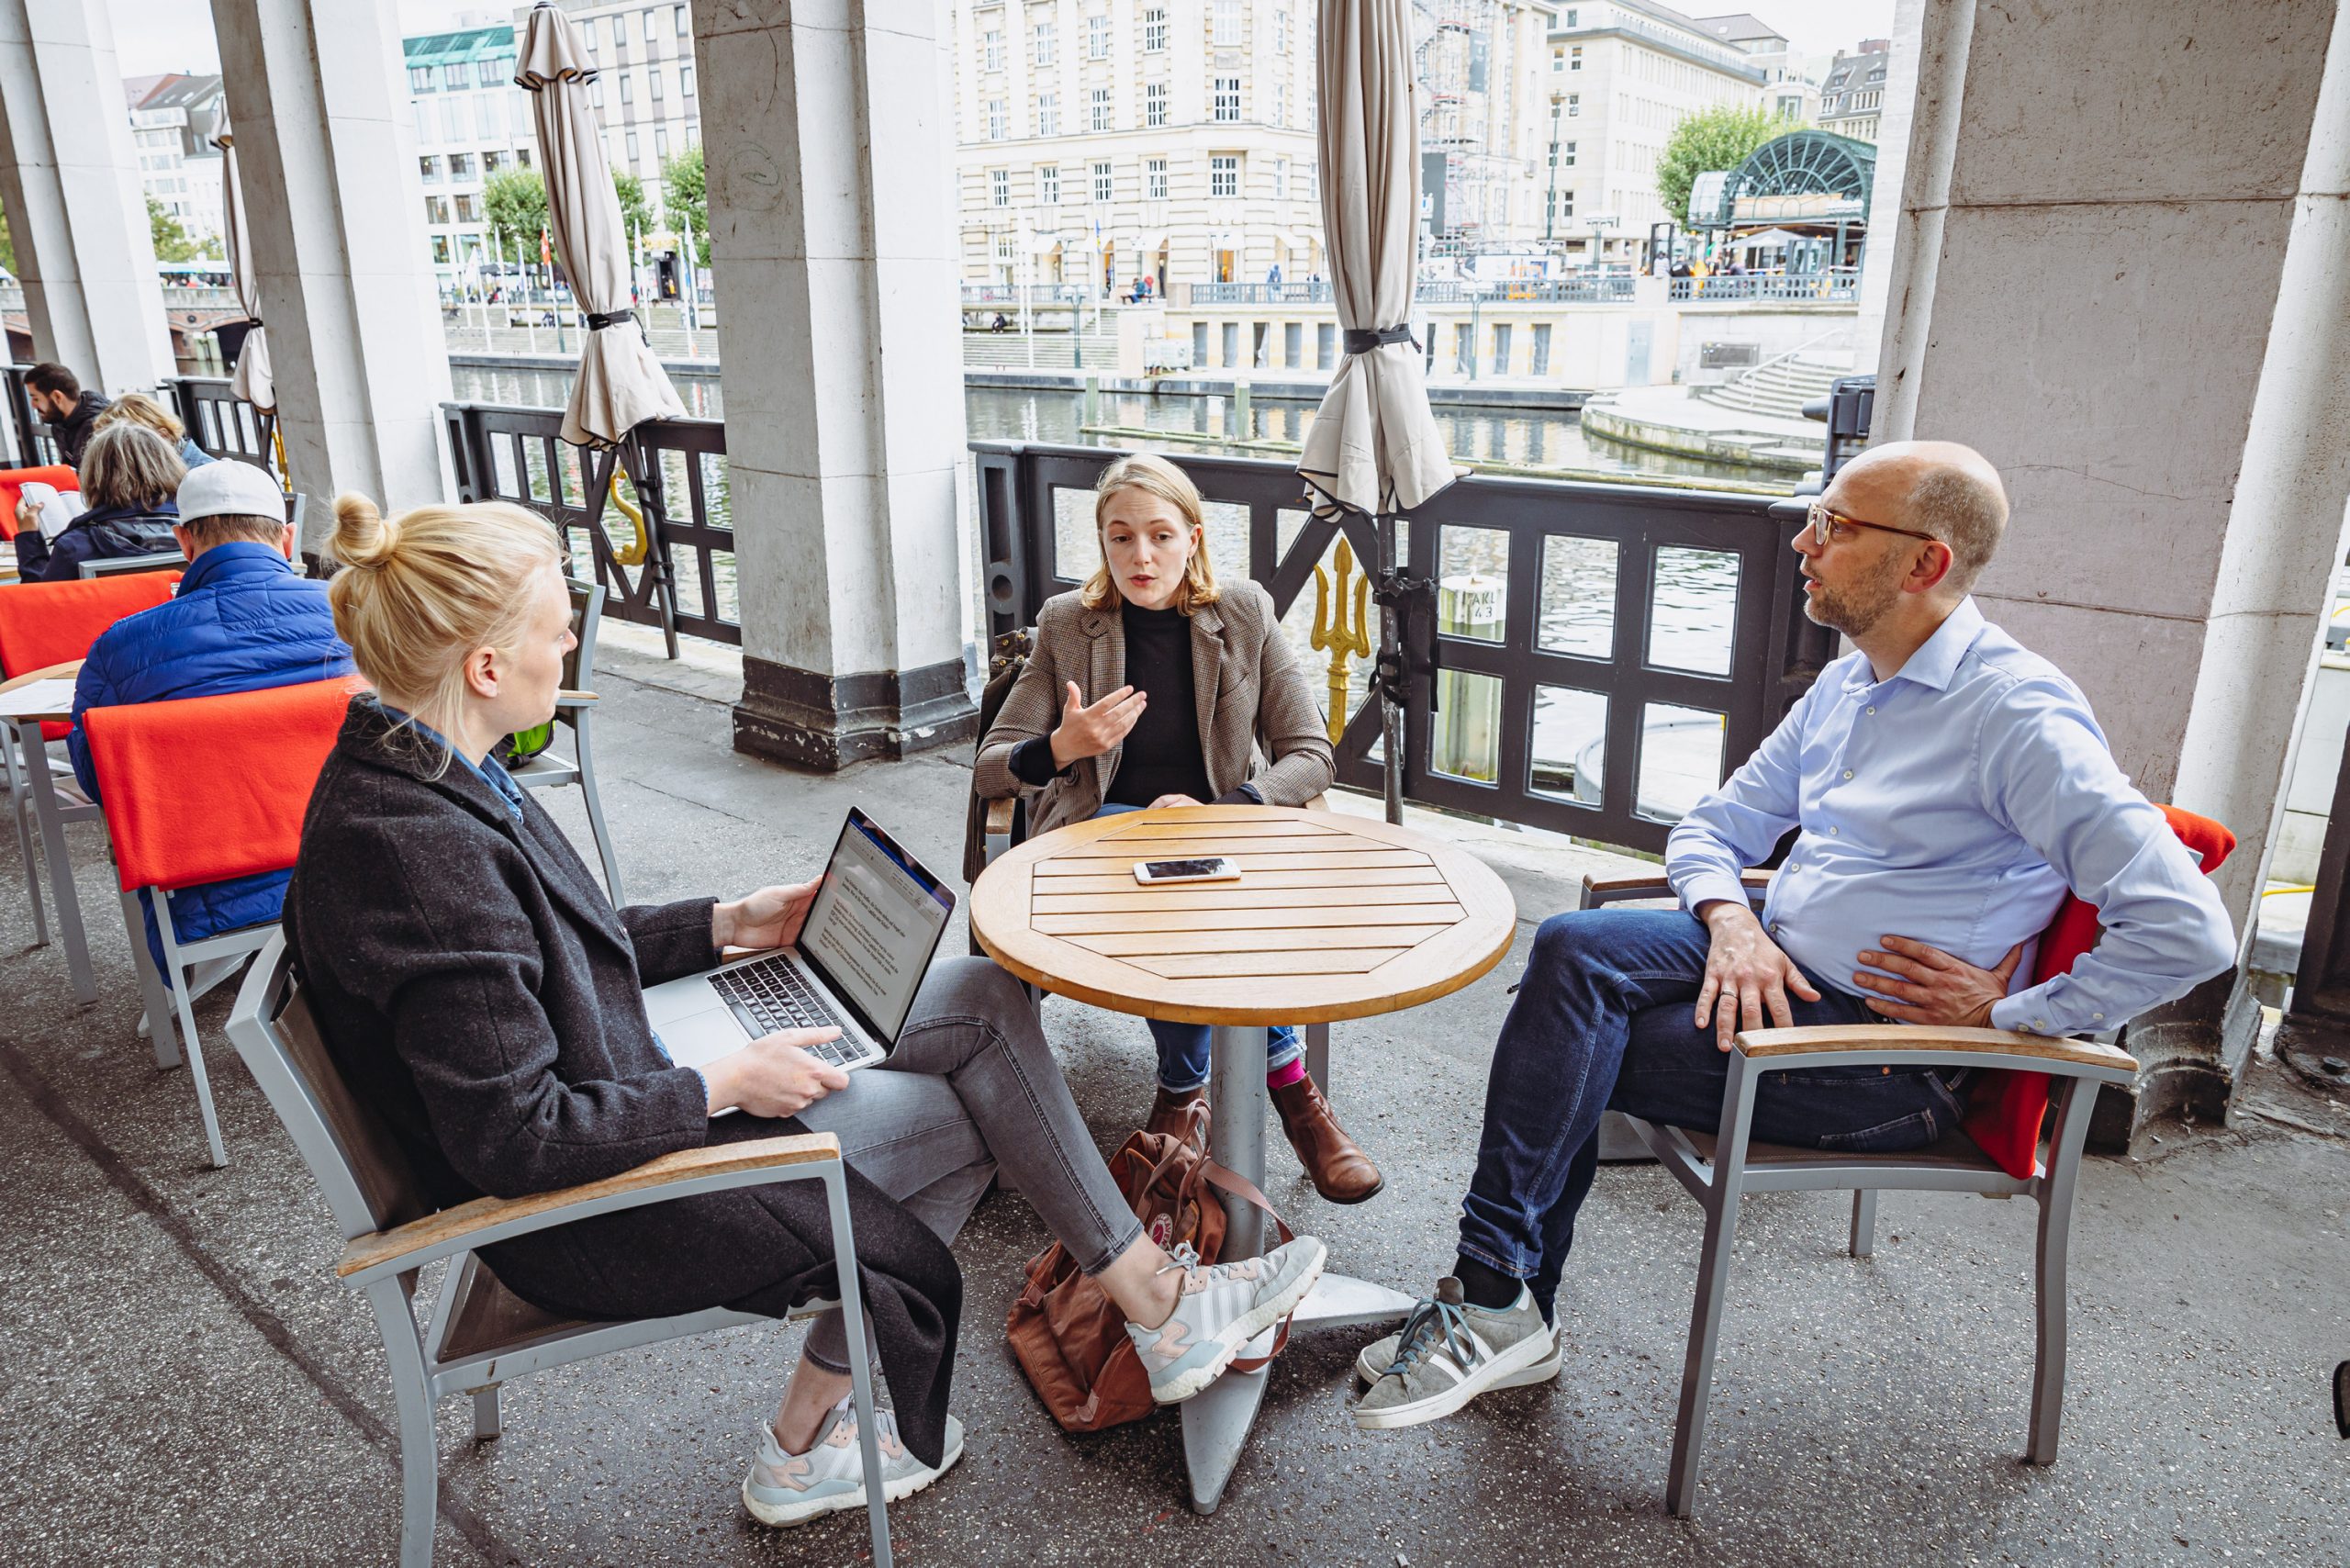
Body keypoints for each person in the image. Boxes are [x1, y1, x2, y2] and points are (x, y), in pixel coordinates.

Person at [284, 494, 1327, 1530]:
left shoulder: (417, 779)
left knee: (977, 993)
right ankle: (819, 1437)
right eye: (556, 625)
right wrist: (719, 1084)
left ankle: (1149, 1304)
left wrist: (725, 924)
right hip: (607, 1201)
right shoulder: (414, 854)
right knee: (969, 1121)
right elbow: (515, 1138)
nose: (570, 640)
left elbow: (548, 950)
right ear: (484, 667)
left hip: (623, 1080)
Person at [1353, 441, 2237, 1431]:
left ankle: (1497, 1299)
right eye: (1813, 517)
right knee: (1568, 952)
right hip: (1782, 968)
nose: (1802, 545)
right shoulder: (1849, 682)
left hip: (1885, 1061)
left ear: (1924, 563)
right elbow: (1711, 829)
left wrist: (2014, 1011)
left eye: (1836, 526)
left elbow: (2185, 928)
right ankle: (1500, 1298)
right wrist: (1731, 921)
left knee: (1561, 1041)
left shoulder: (2015, 717)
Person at [974, 454, 1383, 1204]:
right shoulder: (1069, 625)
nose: (1141, 556)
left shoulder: (1244, 612)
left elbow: (1311, 754)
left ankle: (1188, 1097)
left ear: (1192, 537)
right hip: (1103, 841)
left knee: (1199, 892)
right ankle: (1290, 1094)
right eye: (1121, 537)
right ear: (1101, 542)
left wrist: (1225, 812)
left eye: (1161, 535)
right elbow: (992, 767)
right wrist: (1065, 746)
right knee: (1172, 898)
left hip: (1230, 832)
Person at [68, 458, 348, 975]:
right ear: (286, 539)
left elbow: (99, 780)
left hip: (211, 892)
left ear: (184, 541)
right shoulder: (357, 613)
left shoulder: (120, 647)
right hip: (367, 863)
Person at [14, 423, 183, 582]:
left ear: (95, 477)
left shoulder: (74, 547)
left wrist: (29, 539)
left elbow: (39, 602)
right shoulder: (197, 530)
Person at [94, 390, 216, 471]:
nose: (121, 456)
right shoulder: (161, 467)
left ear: (163, 436)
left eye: (129, 447)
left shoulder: (206, 474)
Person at [22, 360, 107, 466]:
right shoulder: (59, 426)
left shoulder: (101, 427)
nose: (33, 405)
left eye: (36, 398)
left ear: (57, 397)